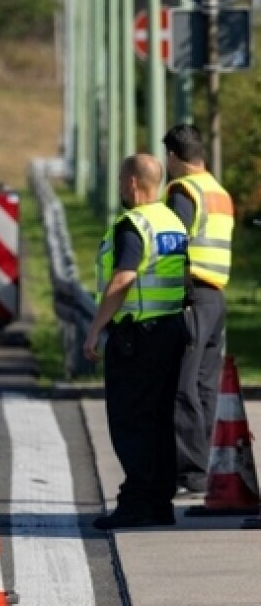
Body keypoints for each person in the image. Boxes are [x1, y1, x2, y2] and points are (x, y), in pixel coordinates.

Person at [83, 153, 189, 530]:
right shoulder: (170, 221)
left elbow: (123, 279)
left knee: (131, 421)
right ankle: (159, 502)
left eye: (118, 181)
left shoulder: (134, 224)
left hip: (139, 336)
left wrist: (96, 328)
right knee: (158, 420)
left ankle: (138, 501)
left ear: (131, 184)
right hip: (170, 330)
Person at [162, 124, 234, 499]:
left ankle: (190, 474)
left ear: (173, 157)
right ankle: (201, 469)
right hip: (216, 296)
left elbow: (173, 245)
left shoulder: (183, 191)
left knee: (181, 384)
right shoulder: (218, 191)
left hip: (190, 295)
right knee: (204, 386)